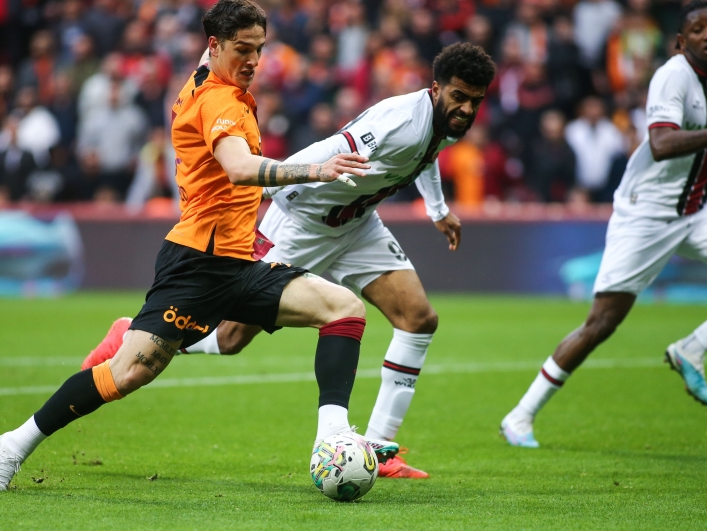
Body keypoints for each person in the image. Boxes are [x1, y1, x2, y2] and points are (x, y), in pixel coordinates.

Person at [0, 0, 397, 492]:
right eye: (243, 49)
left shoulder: (208, 74)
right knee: (129, 373)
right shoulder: (218, 101)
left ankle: (332, 437)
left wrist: (224, 40)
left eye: (260, 49)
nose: (254, 61)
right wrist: (317, 170)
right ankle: (12, 444)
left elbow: (211, 54)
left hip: (240, 262)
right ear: (217, 46)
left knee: (343, 309)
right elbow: (240, 168)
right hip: (196, 264)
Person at [82, 42, 498, 479]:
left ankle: (379, 450)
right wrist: (268, 186)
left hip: (356, 225)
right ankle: (132, 333)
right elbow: (330, 147)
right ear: (436, 89)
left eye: (475, 100)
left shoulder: (446, 122)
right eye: (459, 97)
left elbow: (429, 154)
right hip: (303, 218)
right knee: (231, 339)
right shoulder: (399, 120)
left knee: (418, 319)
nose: (467, 109)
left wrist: (437, 210)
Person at [500, 0, 707, 449]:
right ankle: (520, 415)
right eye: (697, 29)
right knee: (601, 322)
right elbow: (660, 143)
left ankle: (693, 347)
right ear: (680, 42)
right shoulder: (671, 76)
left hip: (701, 209)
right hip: (647, 214)